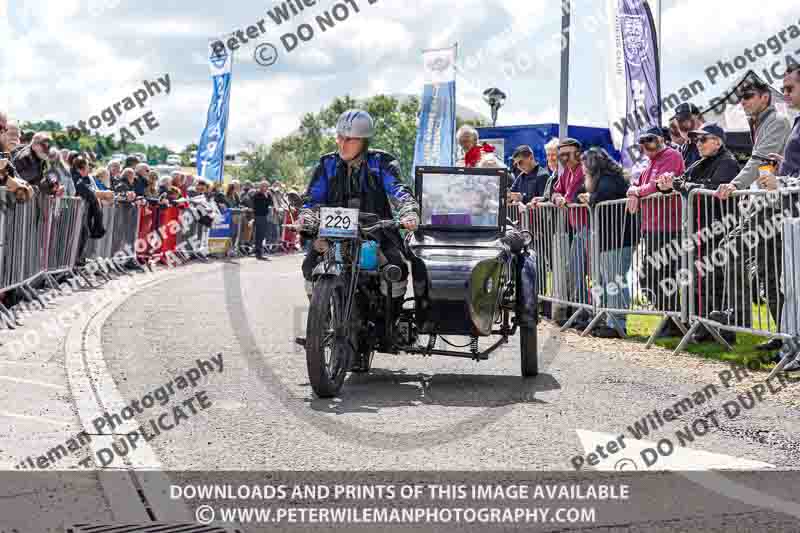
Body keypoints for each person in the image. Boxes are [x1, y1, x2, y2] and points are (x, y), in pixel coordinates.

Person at [300, 108, 419, 318]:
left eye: (350, 140)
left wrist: (409, 210)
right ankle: (322, 319)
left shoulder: (381, 162)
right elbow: (313, 197)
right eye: (340, 138)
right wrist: (307, 215)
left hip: (376, 231)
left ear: (363, 141)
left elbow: (398, 190)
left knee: (396, 267)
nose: (342, 144)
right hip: (333, 233)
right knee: (309, 266)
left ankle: (389, 321)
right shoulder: (326, 164)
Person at [657, 123, 740, 343]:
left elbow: (712, 187)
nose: (698, 144)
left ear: (718, 141)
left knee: (715, 280)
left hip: (719, 230)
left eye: (703, 139)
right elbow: (684, 180)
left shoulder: (728, 162)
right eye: (696, 140)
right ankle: (702, 324)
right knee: (699, 280)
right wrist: (671, 184)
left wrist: (683, 186)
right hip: (699, 230)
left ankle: (720, 329)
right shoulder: (700, 162)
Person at [627, 127, 686, 337]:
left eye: (650, 139)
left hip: (668, 226)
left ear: (661, 139)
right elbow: (639, 182)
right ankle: (671, 320)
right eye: (642, 141)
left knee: (657, 275)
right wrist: (632, 189)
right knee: (653, 276)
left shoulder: (671, 155)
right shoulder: (650, 162)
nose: (645, 144)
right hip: (652, 227)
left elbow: (657, 185)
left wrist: (636, 191)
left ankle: (673, 321)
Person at [576, 148, 633, 338]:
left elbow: (603, 196)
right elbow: (588, 193)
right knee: (608, 280)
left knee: (616, 280)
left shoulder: (609, 180)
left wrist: (591, 198)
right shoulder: (608, 178)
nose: (582, 169)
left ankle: (618, 323)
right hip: (609, 239)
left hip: (617, 239)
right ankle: (609, 319)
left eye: (584, 164)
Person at [717, 76, 791, 199]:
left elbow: (761, 158)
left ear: (765, 97)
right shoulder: (760, 122)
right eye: (741, 98)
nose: (742, 102)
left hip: (781, 200)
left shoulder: (778, 121)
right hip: (770, 197)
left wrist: (735, 184)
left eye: (748, 96)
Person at [550, 138, 592, 329]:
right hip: (578, 228)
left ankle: (587, 314)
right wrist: (557, 197)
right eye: (562, 155)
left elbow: (576, 193)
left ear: (578, 153)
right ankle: (582, 313)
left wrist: (563, 199)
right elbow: (556, 191)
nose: (564, 158)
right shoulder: (566, 171)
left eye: (568, 154)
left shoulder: (585, 168)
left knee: (585, 272)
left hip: (591, 226)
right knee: (576, 271)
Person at [672, 103, 704, 167]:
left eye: (686, 119)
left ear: (698, 117)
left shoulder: (712, 137)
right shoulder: (683, 150)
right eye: (680, 121)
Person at [252, 181, 273, 261]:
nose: (266, 188)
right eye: (265, 186)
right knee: (259, 235)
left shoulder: (268, 194)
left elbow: (271, 203)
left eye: (267, 187)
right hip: (259, 216)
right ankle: (258, 253)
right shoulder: (257, 195)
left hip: (265, 216)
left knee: (262, 235)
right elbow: (261, 205)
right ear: (261, 187)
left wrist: (267, 196)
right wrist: (266, 197)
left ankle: (259, 251)